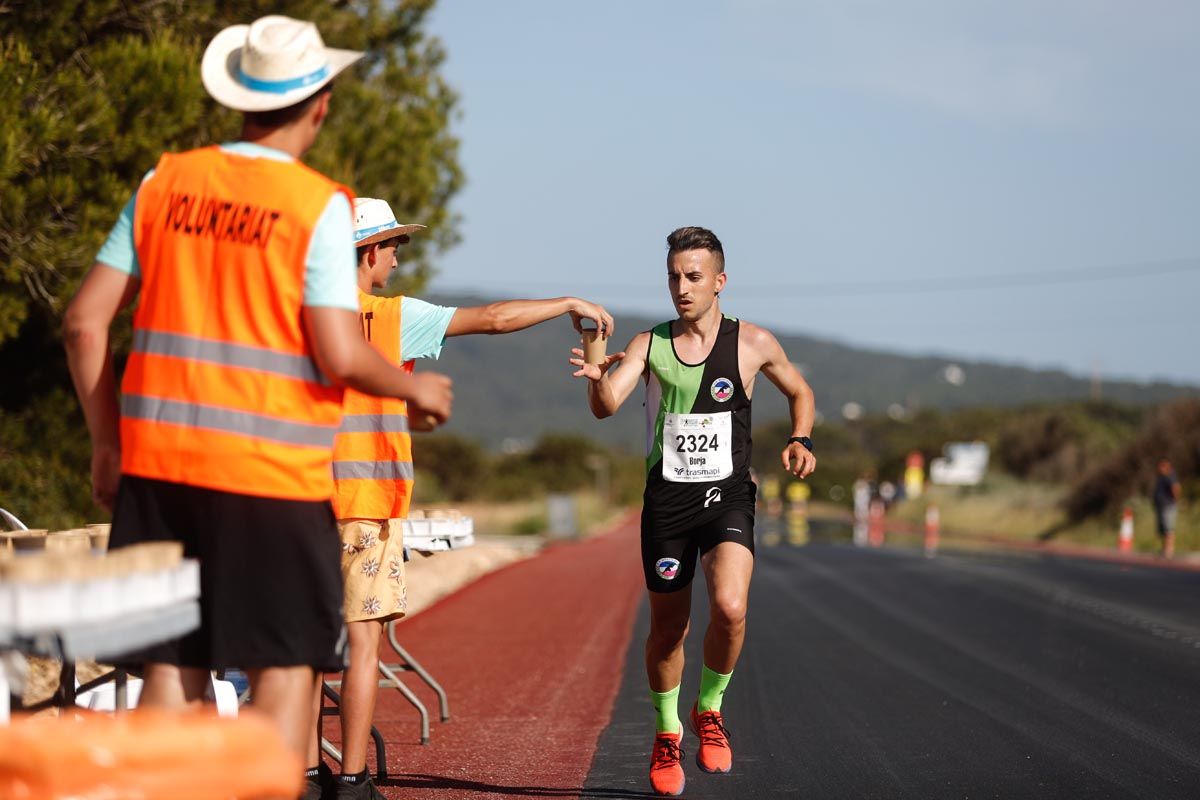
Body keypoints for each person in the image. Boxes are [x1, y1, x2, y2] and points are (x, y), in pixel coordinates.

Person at [62, 15, 453, 793]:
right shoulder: (317, 207)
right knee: (286, 665)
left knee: (172, 669)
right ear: (321, 105)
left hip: (159, 476)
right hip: (272, 478)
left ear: (237, 98)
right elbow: (339, 352)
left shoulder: (161, 183)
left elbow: (82, 322)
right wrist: (415, 386)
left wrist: (106, 445)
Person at [305, 197, 614, 800]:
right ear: (368, 252)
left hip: (298, 498)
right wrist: (565, 304)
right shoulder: (392, 318)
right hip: (366, 499)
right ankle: (352, 779)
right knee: (362, 643)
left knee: (298, 650)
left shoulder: (300, 317)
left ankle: (304, 774)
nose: (397, 259)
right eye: (394, 247)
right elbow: (495, 319)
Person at [569, 226, 816, 796]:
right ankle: (665, 730)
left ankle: (709, 710)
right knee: (669, 630)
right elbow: (607, 406)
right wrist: (595, 366)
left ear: (720, 282)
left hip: (727, 495)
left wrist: (802, 438)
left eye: (694, 277)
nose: (681, 288)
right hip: (668, 503)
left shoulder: (752, 343)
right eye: (674, 277)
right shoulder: (649, 345)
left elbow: (800, 391)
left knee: (730, 607)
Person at [1153, 459, 1182, 558]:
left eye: (1161, 467)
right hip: (1162, 506)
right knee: (1163, 530)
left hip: (1168, 506)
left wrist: (1175, 500)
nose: (1159, 469)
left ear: (1166, 467)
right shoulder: (1161, 477)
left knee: (1169, 528)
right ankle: (1164, 549)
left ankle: (1169, 551)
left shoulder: (1170, 476)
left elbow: (1176, 488)